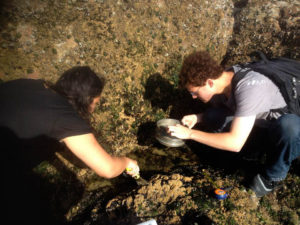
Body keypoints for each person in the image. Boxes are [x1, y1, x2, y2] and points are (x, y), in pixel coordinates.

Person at [0, 66, 139, 223]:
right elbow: (108, 169)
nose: (93, 109)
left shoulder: (30, 83)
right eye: (95, 103)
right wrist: (127, 162)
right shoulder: (67, 119)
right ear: (86, 100)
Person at [168, 51, 300, 197]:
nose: (193, 97)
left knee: (289, 127)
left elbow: (235, 143)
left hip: (287, 130)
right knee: (211, 116)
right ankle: (251, 154)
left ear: (209, 83)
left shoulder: (251, 87)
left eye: (194, 92)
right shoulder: (227, 77)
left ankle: (272, 177)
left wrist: (190, 134)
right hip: (263, 122)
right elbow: (233, 109)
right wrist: (198, 118)